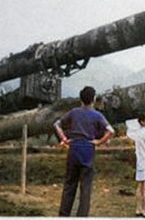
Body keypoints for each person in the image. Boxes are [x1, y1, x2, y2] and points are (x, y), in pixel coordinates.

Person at [53, 86, 114, 217]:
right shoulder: (97, 115)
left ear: (81, 99)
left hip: (74, 149)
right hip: (88, 150)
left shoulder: (74, 112)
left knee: (69, 185)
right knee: (85, 188)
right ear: (93, 100)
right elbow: (111, 131)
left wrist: (64, 139)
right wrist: (99, 142)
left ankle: (63, 215)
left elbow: (57, 124)